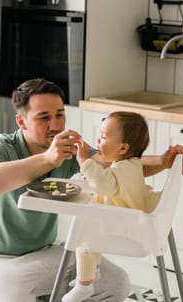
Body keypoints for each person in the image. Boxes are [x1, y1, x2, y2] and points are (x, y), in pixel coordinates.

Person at [0, 78, 183, 302]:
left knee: (116, 284)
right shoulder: (1, 146)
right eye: (44, 118)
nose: (55, 126)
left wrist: (163, 161)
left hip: (43, 255)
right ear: (22, 122)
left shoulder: (68, 149)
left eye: (60, 115)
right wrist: (46, 159)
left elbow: (117, 167)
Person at [62, 111, 161, 302]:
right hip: (129, 224)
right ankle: (93, 272)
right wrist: (92, 173)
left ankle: (84, 285)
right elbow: (112, 186)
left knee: (81, 239)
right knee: (88, 232)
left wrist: (84, 161)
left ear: (123, 148)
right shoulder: (131, 165)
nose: (98, 140)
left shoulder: (121, 169)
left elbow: (104, 185)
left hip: (122, 227)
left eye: (104, 136)